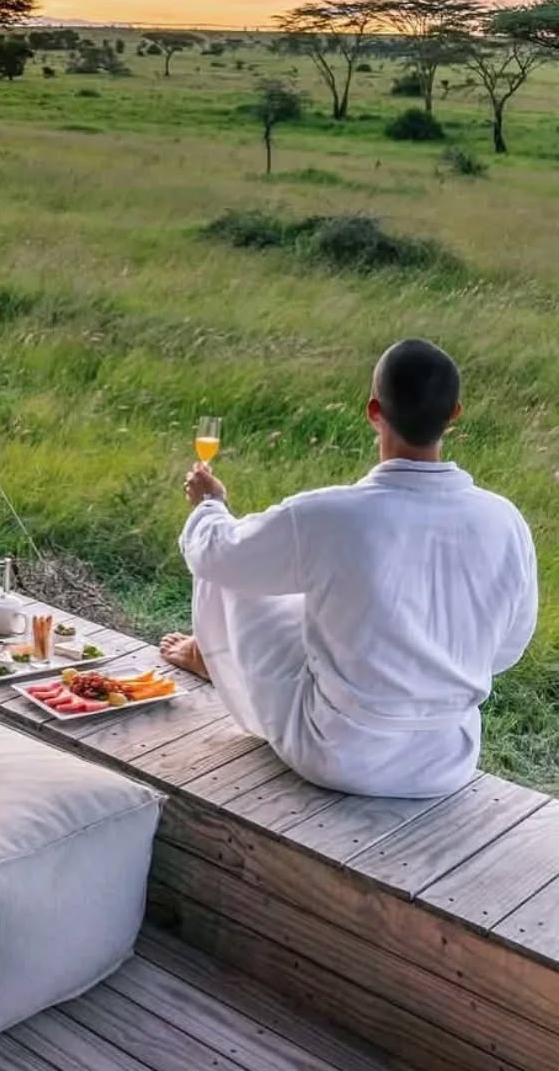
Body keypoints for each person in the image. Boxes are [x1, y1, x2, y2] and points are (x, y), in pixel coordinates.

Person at [161, 339, 537, 799]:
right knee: (321, 596)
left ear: (373, 411)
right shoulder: (505, 520)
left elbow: (216, 555)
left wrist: (210, 507)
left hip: (340, 754)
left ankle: (220, 661)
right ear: (454, 414)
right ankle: (224, 661)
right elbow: (507, 648)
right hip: (447, 758)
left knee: (238, 568)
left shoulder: (330, 515)